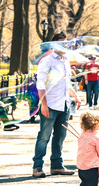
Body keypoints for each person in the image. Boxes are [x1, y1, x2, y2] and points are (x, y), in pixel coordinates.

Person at [32, 44, 82, 178]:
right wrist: (43, 104)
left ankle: (56, 166)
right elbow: (40, 84)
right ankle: (37, 167)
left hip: (64, 104)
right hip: (50, 104)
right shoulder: (47, 61)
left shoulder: (65, 60)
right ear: (54, 45)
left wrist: (75, 96)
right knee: (44, 137)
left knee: (60, 137)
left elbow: (66, 83)